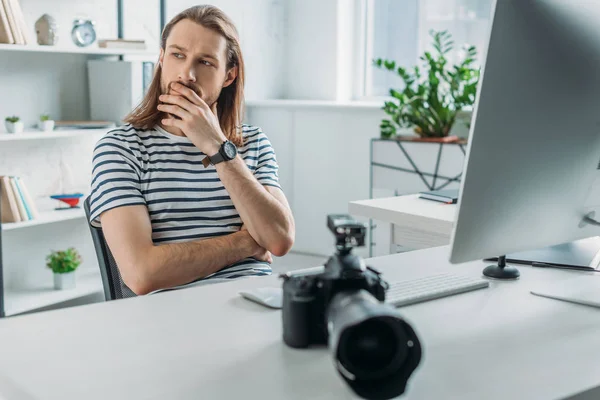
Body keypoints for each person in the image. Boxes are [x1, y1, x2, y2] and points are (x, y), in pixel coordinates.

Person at [88, 5, 295, 295]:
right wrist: (245, 243)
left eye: (206, 62)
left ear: (229, 76)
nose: (187, 74)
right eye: (177, 55)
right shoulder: (121, 148)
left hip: (255, 302)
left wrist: (218, 149)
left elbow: (280, 239)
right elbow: (141, 274)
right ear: (161, 59)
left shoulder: (253, 143)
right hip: (172, 317)